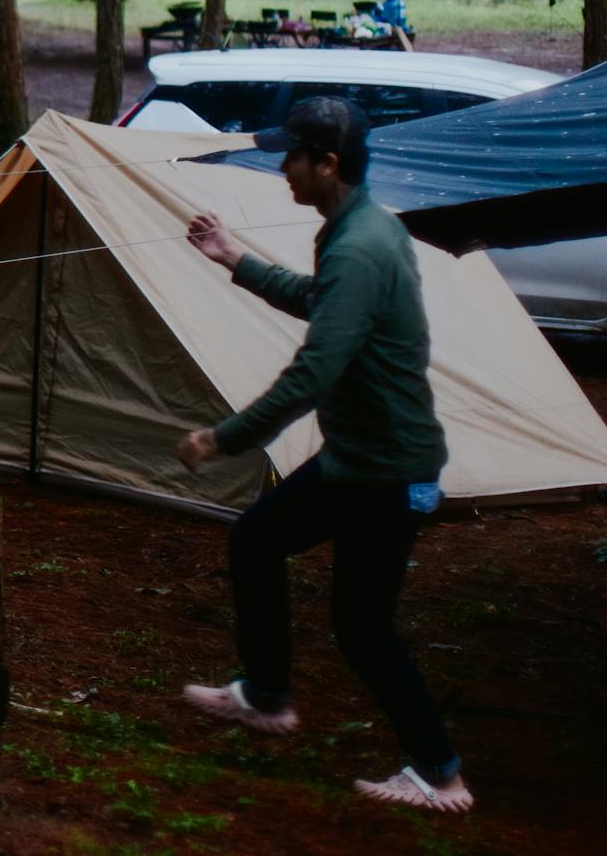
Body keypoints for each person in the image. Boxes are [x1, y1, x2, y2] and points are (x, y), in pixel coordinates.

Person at [175, 96, 472, 814]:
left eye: (293, 156)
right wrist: (234, 257)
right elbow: (324, 300)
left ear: (326, 163)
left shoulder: (362, 242)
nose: (283, 168)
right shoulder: (354, 229)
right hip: (359, 459)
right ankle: (268, 695)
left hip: (388, 469)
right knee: (256, 540)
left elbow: (316, 371)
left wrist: (226, 437)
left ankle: (439, 772)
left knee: (363, 627)